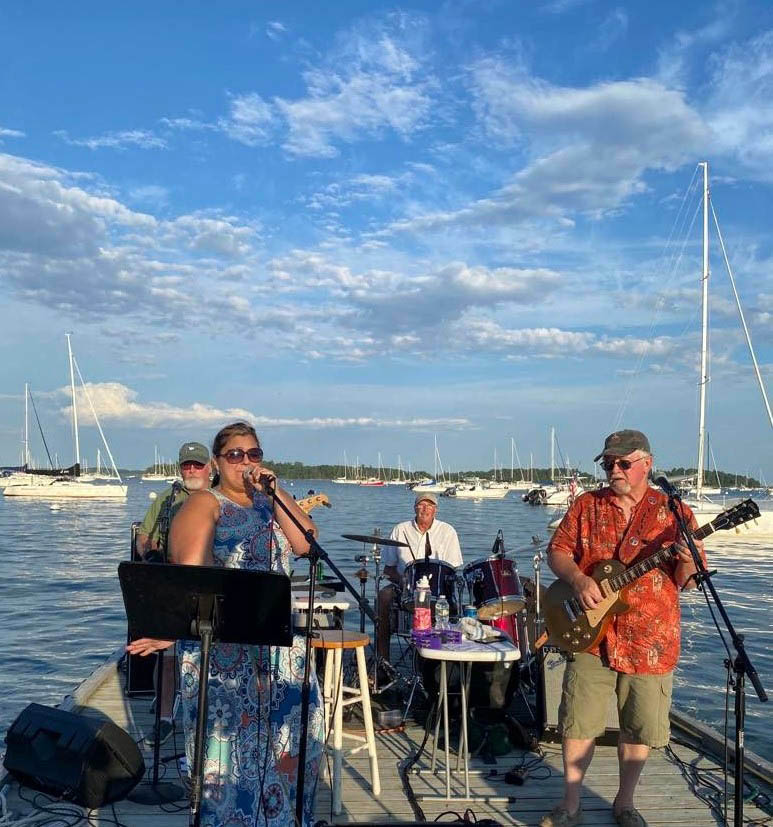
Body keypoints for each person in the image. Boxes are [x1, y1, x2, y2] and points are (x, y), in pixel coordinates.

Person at [127, 421, 324, 826]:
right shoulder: (206, 504)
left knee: (292, 754)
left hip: (281, 657)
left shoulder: (271, 502)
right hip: (227, 662)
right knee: (232, 768)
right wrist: (171, 632)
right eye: (235, 455)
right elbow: (191, 580)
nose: (245, 462)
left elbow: (305, 543)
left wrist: (274, 490)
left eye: (254, 454)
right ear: (217, 462)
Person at [540, 429, 705, 827]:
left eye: (622, 463)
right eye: (608, 463)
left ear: (647, 463)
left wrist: (685, 559)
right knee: (578, 720)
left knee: (638, 726)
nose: (614, 469)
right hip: (591, 634)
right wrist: (580, 581)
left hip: (650, 637)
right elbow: (557, 551)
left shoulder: (675, 514)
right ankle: (571, 804)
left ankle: (625, 803)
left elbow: (689, 581)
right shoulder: (586, 505)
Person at [133, 441, 212, 745]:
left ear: (209, 467)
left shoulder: (219, 499)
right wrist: (149, 553)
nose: (192, 470)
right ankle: (165, 716)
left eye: (198, 464)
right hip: (171, 584)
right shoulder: (167, 499)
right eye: (187, 465)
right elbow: (144, 535)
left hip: (207, 585)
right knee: (165, 655)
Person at [377, 492, 463, 662]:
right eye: (421, 505)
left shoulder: (448, 531)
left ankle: (444, 661)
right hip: (405, 587)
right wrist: (402, 580)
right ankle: (383, 663)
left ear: (435, 510)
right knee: (382, 597)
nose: (425, 509)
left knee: (455, 604)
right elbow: (388, 570)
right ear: (415, 508)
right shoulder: (400, 530)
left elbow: (452, 570)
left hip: (438, 590)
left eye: (429, 505)